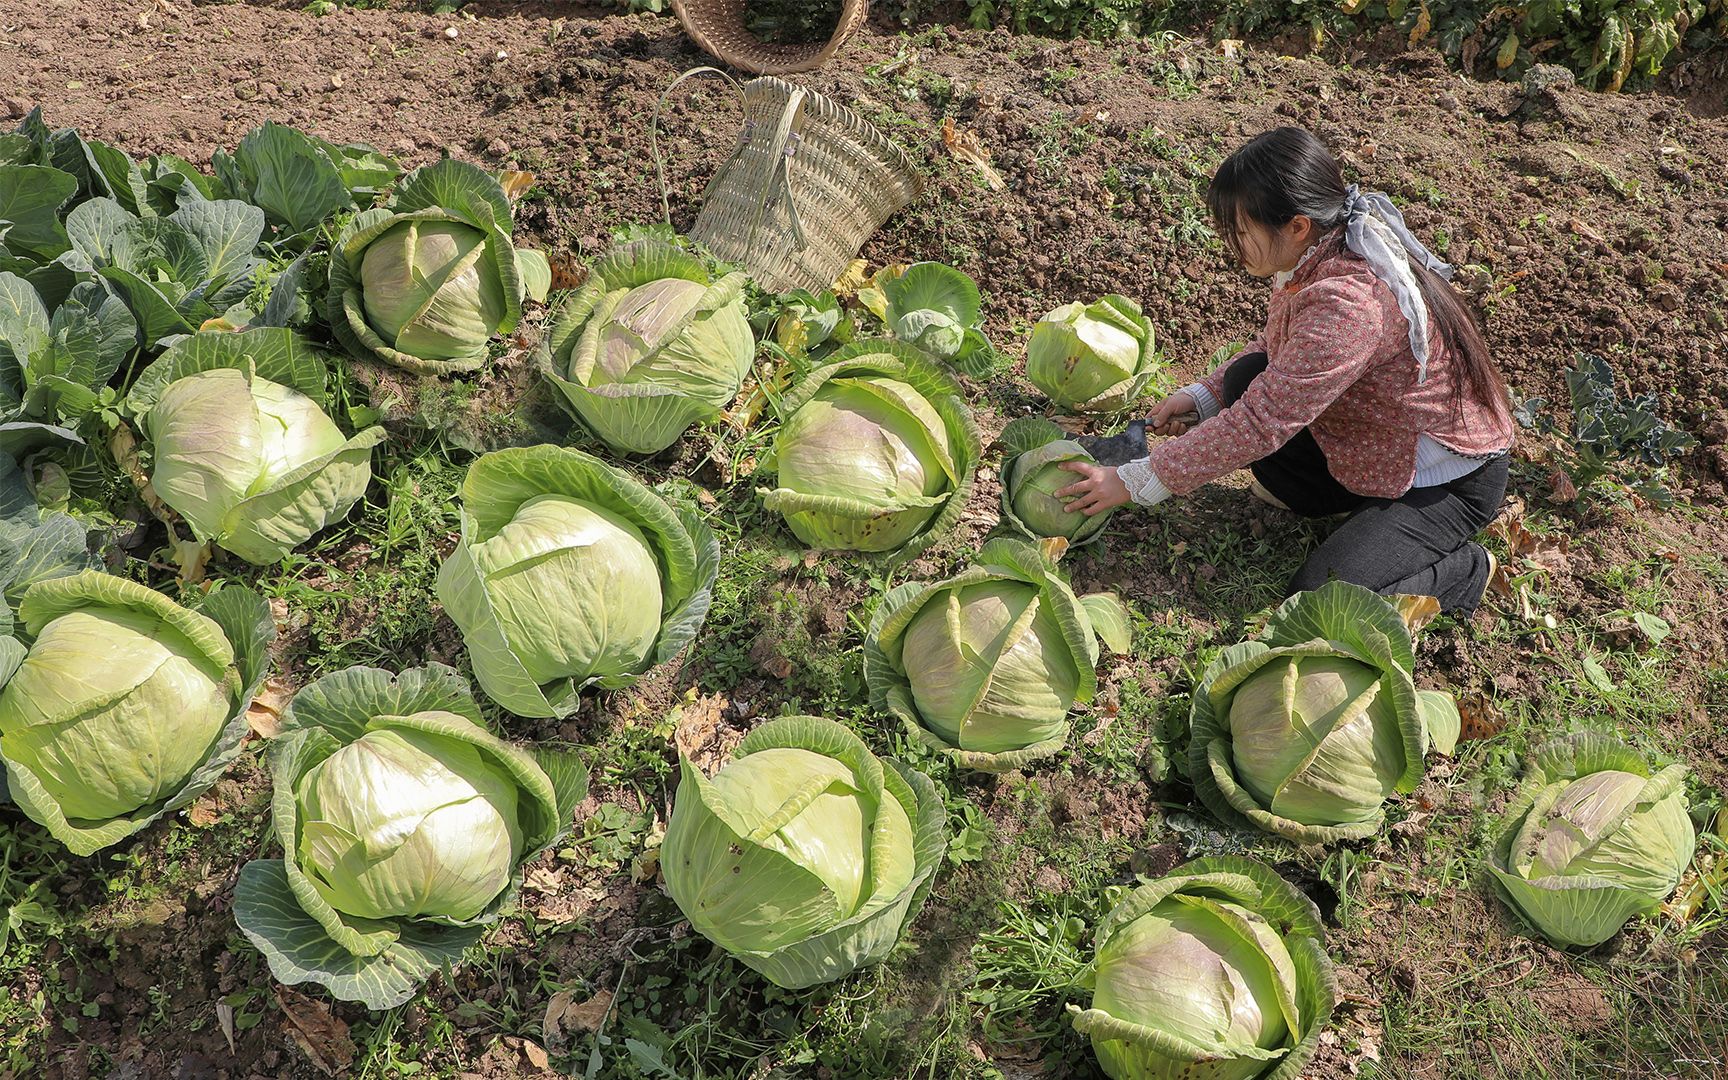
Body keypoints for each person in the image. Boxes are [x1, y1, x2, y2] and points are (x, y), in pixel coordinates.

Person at [1055, 126, 1515, 615]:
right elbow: (1282, 352)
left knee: (1318, 601)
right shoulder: (1321, 250)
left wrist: (1133, 480)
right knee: (1242, 380)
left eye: (1240, 230)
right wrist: (1205, 396)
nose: (1231, 243)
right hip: (1376, 445)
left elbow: (1261, 422)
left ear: (1296, 225)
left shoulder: (1349, 304)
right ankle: (1356, 509)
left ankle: (1465, 570)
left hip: (1441, 481)